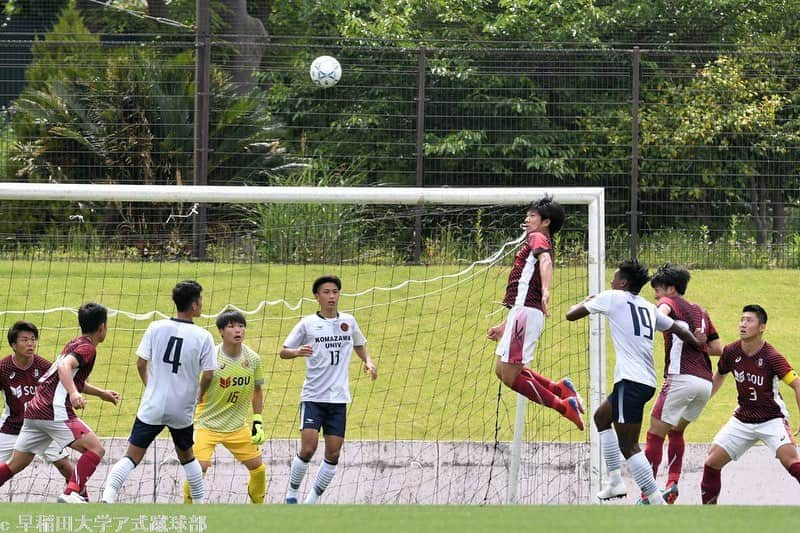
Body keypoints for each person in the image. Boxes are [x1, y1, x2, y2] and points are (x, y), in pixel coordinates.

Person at [565, 259, 701, 505]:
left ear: (623, 283)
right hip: (641, 381)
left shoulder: (612, 297)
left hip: (631, 382)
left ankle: (654, 499)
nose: (611, 281)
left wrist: (586, 301)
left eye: (615, 278)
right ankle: (615, 481)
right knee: (601, 418)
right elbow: (679, 329)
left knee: (628, 445)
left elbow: (570, 316)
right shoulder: (649, 307)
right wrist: (698, 345)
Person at [102, 280, 217, 504]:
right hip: (181, 408)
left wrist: (151, 387)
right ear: (194, 305)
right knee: (187, 456)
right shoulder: (204, 336)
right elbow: (209, 374)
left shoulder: (155, 327)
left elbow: (140, 364)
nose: (202, 304)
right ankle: (201, 502)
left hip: (153, 405)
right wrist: (200, 394)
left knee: (132, 455)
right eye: (200, 300)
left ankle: (108, 495)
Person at [0, 303, 119, 503]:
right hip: (52, 411)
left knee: (16, 464)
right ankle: (71, 493)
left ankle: (76, 494)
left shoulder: (73, 343)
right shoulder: (87, 348)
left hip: (33, 413)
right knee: (95, 449)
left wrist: (101, 394)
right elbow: (65, 367)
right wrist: (73, 394)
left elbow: (65, 375)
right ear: (102, 327)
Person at [487, 196, 584, 431]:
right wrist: (505, 324)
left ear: (546, 222)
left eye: (532, 215)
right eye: (527, 215)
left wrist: (547, 290)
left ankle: (563, 405)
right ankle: (559, 389)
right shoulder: (538, 237)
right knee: (503, 370)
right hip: (521, 314)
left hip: (526, 315)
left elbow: (546, 261)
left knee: (510, 376)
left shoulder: (538, 237)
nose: (527, 219)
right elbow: (523, 290)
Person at [280, 275, 377, 504]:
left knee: (333, 453)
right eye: (326, 292)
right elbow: (283, 351)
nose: (331, 296)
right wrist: (296, 352)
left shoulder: (349, 321)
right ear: (317, 296)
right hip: (313, 397)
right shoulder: (307, 324)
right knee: (308, 448)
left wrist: (368, 361)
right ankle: (292, 493)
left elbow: (359, 343)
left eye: (335, 291)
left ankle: (311, 501)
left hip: (338, 398)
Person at [700, 304, 800, 504]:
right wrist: (702, 400)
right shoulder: (730, 351)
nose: (743, 324)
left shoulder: (772, 357)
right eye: (742, 320)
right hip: (743, 419)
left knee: (792, 463)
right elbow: (719, 376)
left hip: (772, 419)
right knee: (712, 462)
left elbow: (797, 385)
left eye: (749, 320)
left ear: (761, 327)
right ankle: (707, 517)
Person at [641, 264, 723, 504]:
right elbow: (717, 348)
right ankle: (672, 483)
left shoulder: (671, 303)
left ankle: (648, 492)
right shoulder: (701, 311)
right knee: (676, 431)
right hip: (704, 382)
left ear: (671, 288)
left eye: (658, 291)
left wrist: (649, 320)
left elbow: (660, 314)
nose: (656, 296)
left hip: (681, 378)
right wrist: (698, 344)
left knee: (655, 434)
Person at [183, 310, 266, 504]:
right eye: (231, 326)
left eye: (241, 326)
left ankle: (259, 509)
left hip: (237, 426)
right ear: (221, 331)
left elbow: (257, 390)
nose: (238, 330)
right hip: (207, 424)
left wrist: (258, 419)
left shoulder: (253, 359)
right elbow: (195, 388)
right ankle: (187, 509)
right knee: (198, 469)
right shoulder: (210, 357)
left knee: (259, 469)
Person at [0, 321, 76, 495]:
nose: (30, 344)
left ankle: (81, 500)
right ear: (13, 345)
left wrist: (101, 393)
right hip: (11, 427)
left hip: (42, 428)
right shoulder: (3, 368)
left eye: (33, 340)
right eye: (25, 340)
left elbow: (67, 379)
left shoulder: (43, 366)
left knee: (67, 467)